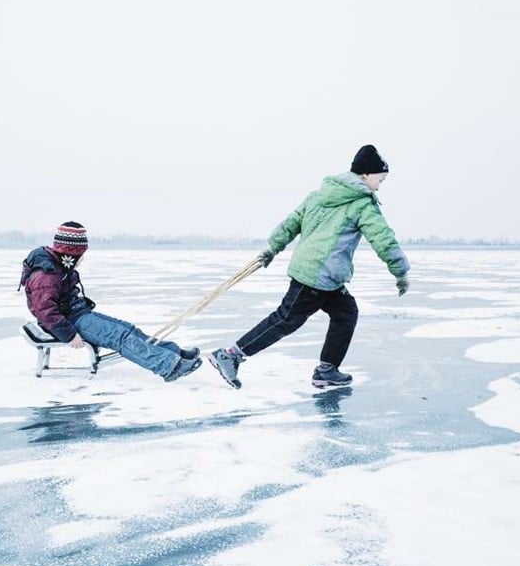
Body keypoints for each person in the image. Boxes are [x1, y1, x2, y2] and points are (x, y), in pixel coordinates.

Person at [209, 145, 409, 389]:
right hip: (315, 277)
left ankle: (327, 370)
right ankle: (231, 355)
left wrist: (273, 247)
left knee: (346, 313)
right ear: (366, 175)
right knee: (285, 319)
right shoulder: (362, 205)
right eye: (380, 179)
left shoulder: (318, 195)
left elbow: (291, 223)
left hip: (328, 277)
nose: (380, 185)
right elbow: (383, 239)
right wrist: (401, 272)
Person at [21, 221, 203, 382]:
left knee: (129, 330)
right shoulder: (46, 273)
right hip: (69, 321)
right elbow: (45, 311)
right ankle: (169, 367)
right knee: (119, 336)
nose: (82, 259)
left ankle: (173, 353)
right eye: (80, 254)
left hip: (76, 313)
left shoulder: (59, 264)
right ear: (71, 251)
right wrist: (69, 335)